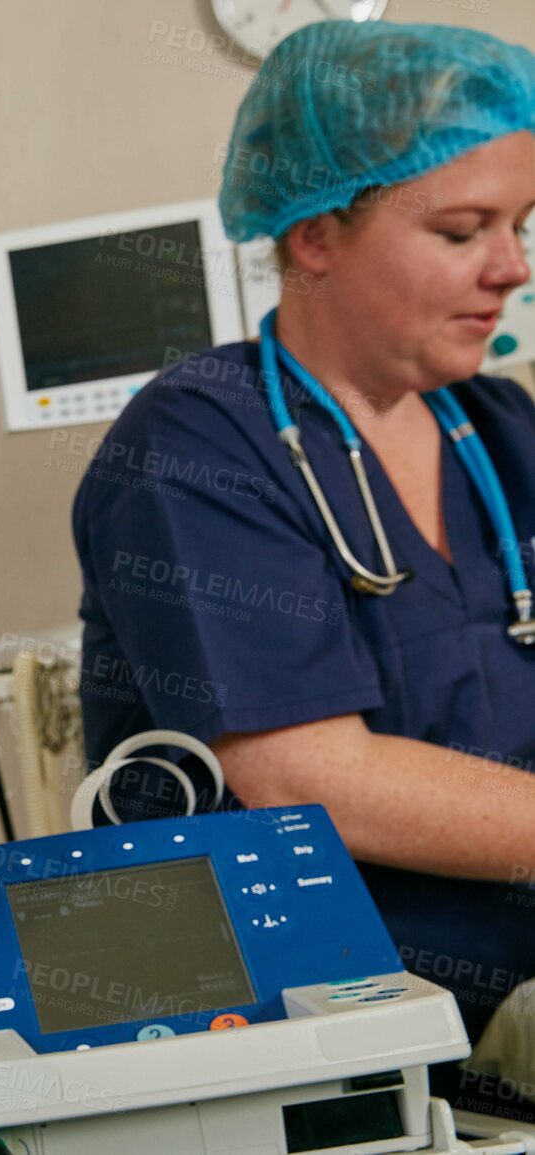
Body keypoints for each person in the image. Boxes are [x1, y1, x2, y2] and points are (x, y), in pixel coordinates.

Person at [71, 19, 535, 1115]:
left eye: (520, 225)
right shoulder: (191, 448)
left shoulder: (501, 429)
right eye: (464, 228)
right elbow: (302, 771)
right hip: (299, 1044)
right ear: (316, 234)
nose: (511, 267)